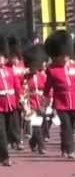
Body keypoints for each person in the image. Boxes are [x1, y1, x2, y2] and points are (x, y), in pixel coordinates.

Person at [43, 30, 75, 159]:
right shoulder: (52, 70)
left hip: (74, 101)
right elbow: (48, 87)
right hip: (61, 102)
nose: (65, 58)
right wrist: (46, 100)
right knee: (66, 126)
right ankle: (70, 150)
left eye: (67, 55)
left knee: (70, 126)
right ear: (57, 55)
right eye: (62, 56)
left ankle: (64, 147)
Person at [0, 35, 23, 166]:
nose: (1, 58)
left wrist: (21, 100)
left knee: (11, 130)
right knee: (1, 132)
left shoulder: (9, 70)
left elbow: (16, 86)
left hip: (11, 104)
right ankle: (5, 157)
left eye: (2, 56)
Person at [22, 44, 48, 155]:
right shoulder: (25, 78)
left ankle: (33, 142)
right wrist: (26, 106)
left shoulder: (42, 75)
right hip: (31, 103)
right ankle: (42, 147)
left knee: (42, 125)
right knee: (36, 125)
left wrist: (47, 103)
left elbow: (47, 89)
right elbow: (23, 92)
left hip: (41, 102)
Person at [6, 35, 25, 150]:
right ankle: (12, 140)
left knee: (19, 119)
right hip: (10, 97)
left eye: (17, 57)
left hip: (20, 95)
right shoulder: (6, 67)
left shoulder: (21, 65)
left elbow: (23, 80)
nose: (15, 60)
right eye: (13, 57)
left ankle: (17, 139)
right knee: (10, 120)